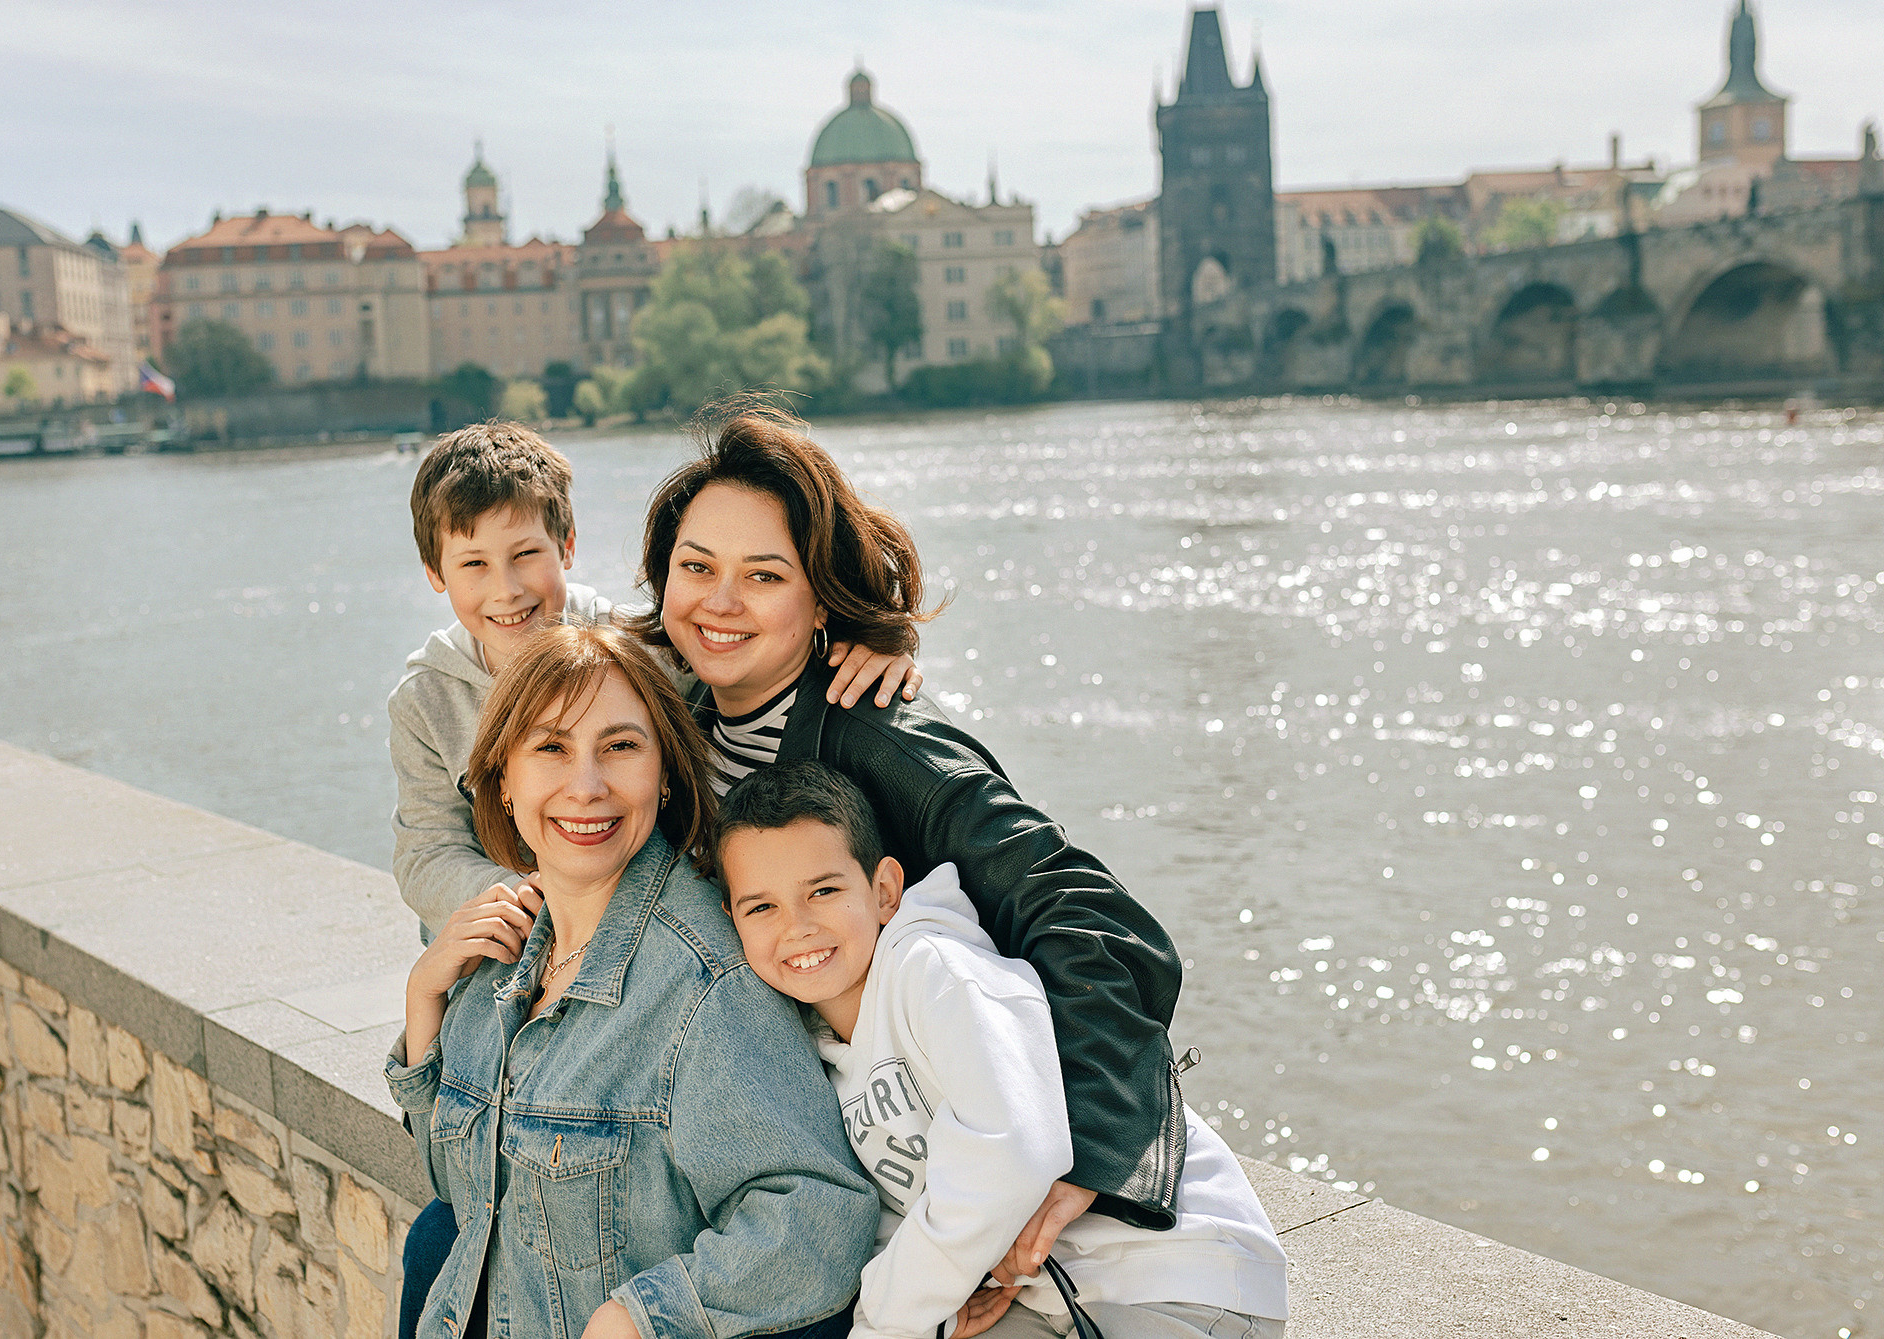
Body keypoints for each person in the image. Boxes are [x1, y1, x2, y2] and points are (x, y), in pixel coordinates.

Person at [387, 421, 919, 1333]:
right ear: (502, 784)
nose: (584, 784)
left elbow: (818, 1213)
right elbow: (466, 1180)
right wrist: (427, 1007)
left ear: (669, 767)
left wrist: (644, 1314)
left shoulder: (700, 985)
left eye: (620, 747)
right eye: (548, 749)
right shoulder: (504, 960)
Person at [629, 398, 1186, 1247]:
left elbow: (1093, 920)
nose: (721, 601)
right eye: (697, 567)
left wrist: (1089, 1156)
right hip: (768, 1150)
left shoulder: (884, 737)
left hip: (904, 1183)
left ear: (821, 603)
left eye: (766, 575)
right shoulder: (667, 719)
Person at [716, 762, 1287, 1339]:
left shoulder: (937, 970)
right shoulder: (806, 1050)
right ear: (732, 921)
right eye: (762, 907)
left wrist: (883, 1322)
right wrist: (936, 1308)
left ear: (884, 891)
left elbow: (1013, 1152)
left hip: (1173, 1273)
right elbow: (891, 1208)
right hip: (1041, 1298)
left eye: (824, 890)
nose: (799, 926)